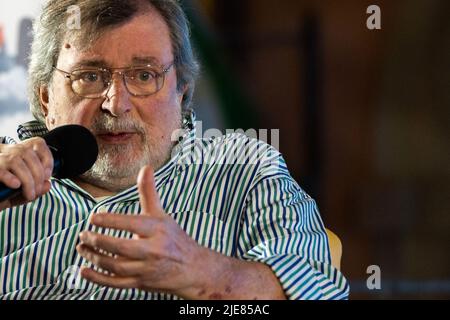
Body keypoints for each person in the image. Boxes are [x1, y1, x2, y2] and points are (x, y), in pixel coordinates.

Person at [0, 0, 349, 300]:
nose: (117, 104)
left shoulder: (245, 170)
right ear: (46, 98)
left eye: (144, 75)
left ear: (181, 92)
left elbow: (320, 288)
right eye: (90, 77)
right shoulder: (5, 177)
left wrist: (203, 274)